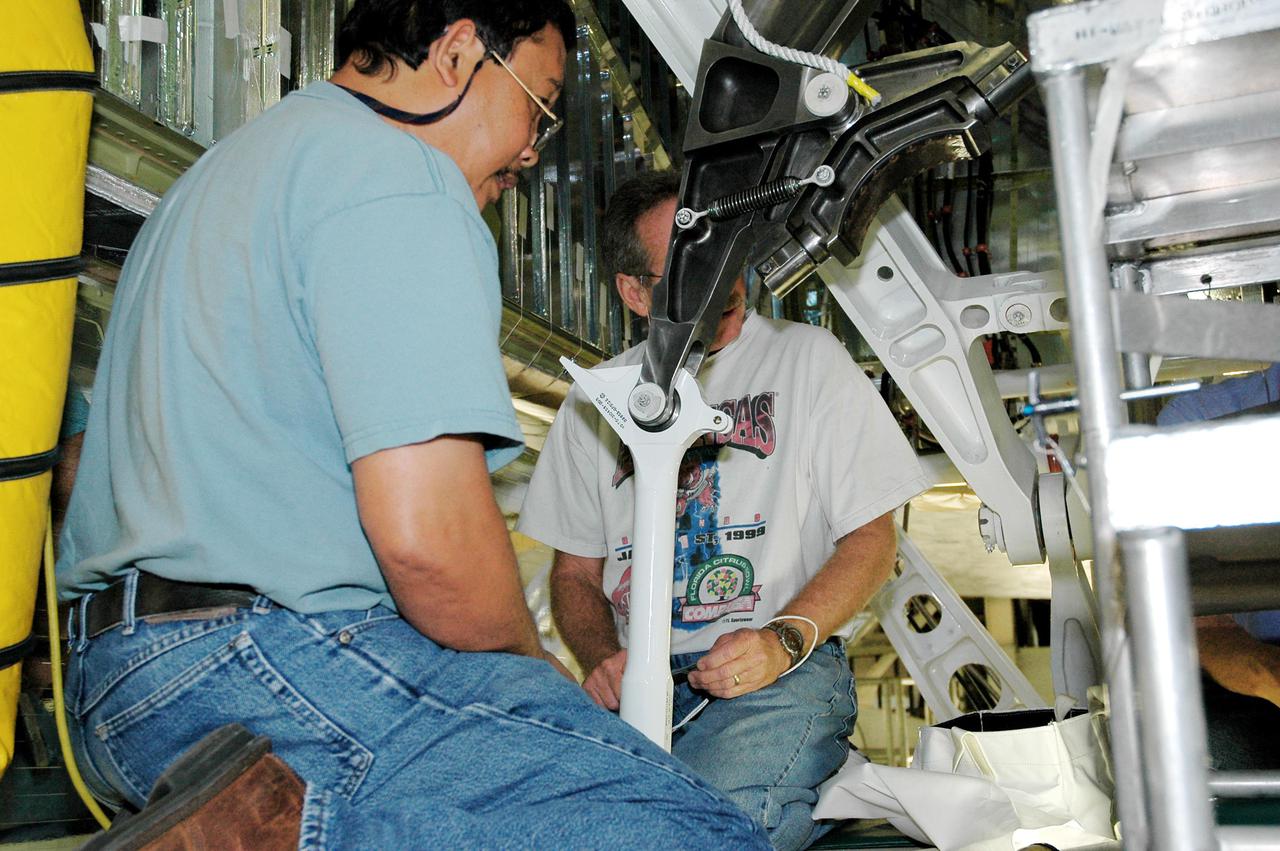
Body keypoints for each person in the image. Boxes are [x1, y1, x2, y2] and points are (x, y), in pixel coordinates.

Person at [56, 3, 767, 847]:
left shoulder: (219, 178)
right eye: (538, 106)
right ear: (461, 52)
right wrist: (534, 675)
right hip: (263, 662)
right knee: (693, 829)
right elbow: (431, 546)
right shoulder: (401, 175)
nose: (535, 150)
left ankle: (290, 829)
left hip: (115, 689)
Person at [518, 171, 931, 849]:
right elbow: (573, 576)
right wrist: (602, 656)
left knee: (703, 829)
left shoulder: (809, 361)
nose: (722, 278)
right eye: (690, 264)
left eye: (723, 250)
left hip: (776, 676)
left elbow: (871, 541)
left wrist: (783, 640)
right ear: (633, 291)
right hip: (635, 688)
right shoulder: (598, 402)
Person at [1157, 363, 1280, 770]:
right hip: (1262, 666)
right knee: (1225, 747)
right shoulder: (1197, 426)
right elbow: (1204, 625)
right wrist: (1266, 674)